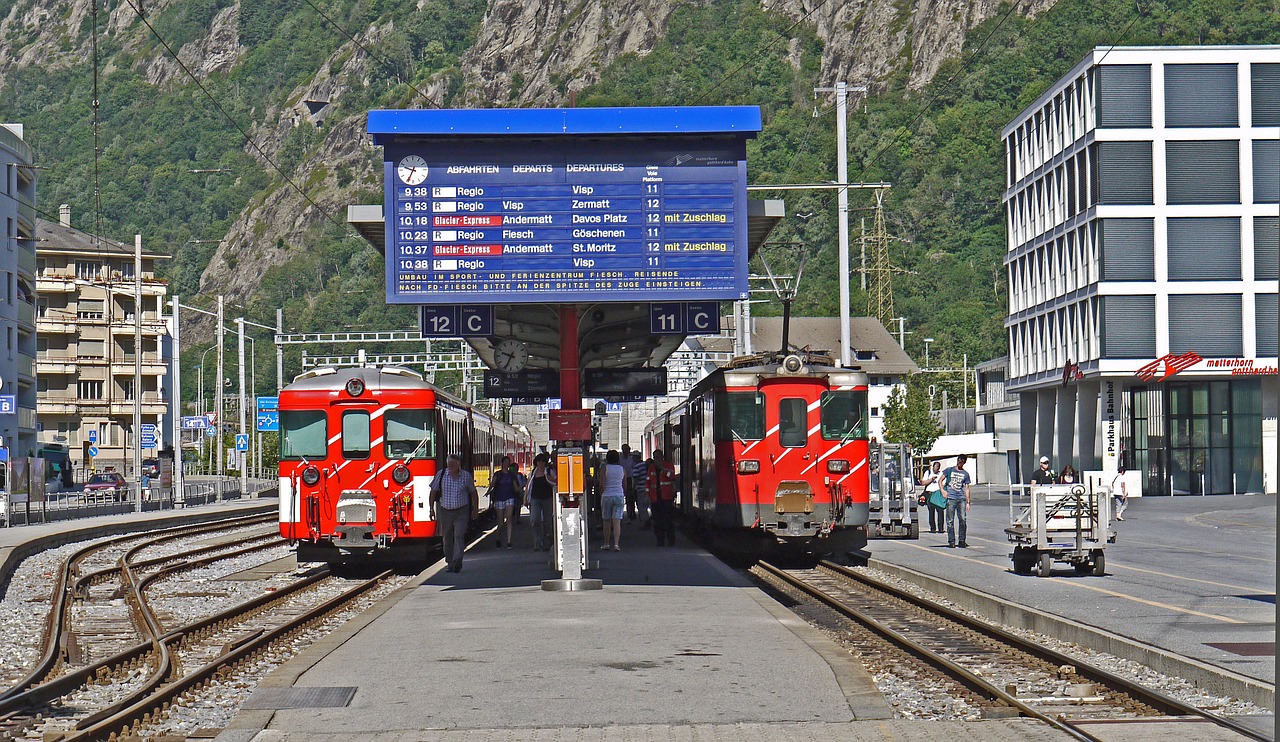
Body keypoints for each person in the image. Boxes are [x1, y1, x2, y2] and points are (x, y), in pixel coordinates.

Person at [430, 453, 480, 573]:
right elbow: (433, 491)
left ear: (458, 464)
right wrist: (431, 509)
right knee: (447, 537)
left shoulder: (465, 476)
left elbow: (473, 492)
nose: (451, 466)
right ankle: (449, 562)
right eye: (449, 464)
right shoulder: (441, 475)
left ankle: (457, 560)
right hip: (445, 510)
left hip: (461, 510)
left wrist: (475, 509)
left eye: (453, 464)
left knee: (459, 535)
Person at [489, 460, 523, 549]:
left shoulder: (512, 475)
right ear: (502, 463)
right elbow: (493, 484)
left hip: (509, 498)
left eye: (508, 462)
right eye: (505, 462)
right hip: (499, 498)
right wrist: (489, 491)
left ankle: (509, 542)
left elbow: (515, 488)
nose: (507, 464)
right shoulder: (498, 474)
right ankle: (497, 537)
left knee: (509, 519)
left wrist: (522, 488)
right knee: (500, 522)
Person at [941, 454, 972, 548]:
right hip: (951, 498)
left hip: (961, 498)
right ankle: (951, 541)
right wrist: (943, 490)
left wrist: (968, 502)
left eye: (962, 461)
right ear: (957, 460)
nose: (960, 462)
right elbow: (940, 480)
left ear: (964, 462)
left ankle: (962, 540)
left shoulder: (965, 474)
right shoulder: (949, 470)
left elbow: (966, 488)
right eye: (959, 460)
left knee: (962, 519)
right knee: (950, 520)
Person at [647, 449, 677, 546]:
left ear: (662, 457)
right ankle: (660, 540)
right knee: (657, 521)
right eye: (654, 457)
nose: (656, 459)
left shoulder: (669, 465)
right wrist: (647, 495)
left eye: (658, 457)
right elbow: (648, 481)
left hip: (667, 497)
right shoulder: (651, 467)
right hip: (655, 498)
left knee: (668, 520)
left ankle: (671, 540)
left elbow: (671, 477)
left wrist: (663, 469)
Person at [599, 450, 627, 551]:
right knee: (617, 521)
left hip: (607, 495)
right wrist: (623, 492)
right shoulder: (622, 469)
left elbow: (602, 484)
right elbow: (625, 484)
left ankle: (606, 543)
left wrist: (601, 492)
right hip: (619, 495)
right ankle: (616, 544)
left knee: (606, 521)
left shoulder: (605, 468)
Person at [527, 453, 556, 550]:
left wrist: (551, 479)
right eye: (539, 461)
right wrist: (525, 497)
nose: (541, 463)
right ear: (536, 462)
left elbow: (556, 482)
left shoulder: (549, 471)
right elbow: (528, 485)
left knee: (547, 522)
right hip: (535, 499)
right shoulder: (532, 473)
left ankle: (547, 541)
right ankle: (537, 542)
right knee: (534, 520)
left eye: (543, 461)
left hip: (547, 499)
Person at [920, 461, 945, 533]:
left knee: (940, 510)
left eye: (938, 468)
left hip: (938, 493)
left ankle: (941, 528)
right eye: (935, 467)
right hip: (929, 493)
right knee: (931, 511)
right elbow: (923, 482)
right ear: (933, 467)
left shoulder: (941, 474)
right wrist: (931, 479)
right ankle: (933, 528)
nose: (936, 469)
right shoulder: (928, 472)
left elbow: (943, 484)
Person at [631, 451, 650, 527]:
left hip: (640, 489)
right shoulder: (645, 465)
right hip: (646, 488)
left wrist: (633, 488)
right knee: (645, 505)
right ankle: (646, 521)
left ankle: (645, 522)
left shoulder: (637, 467)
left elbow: (636, 479)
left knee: (641, 506)